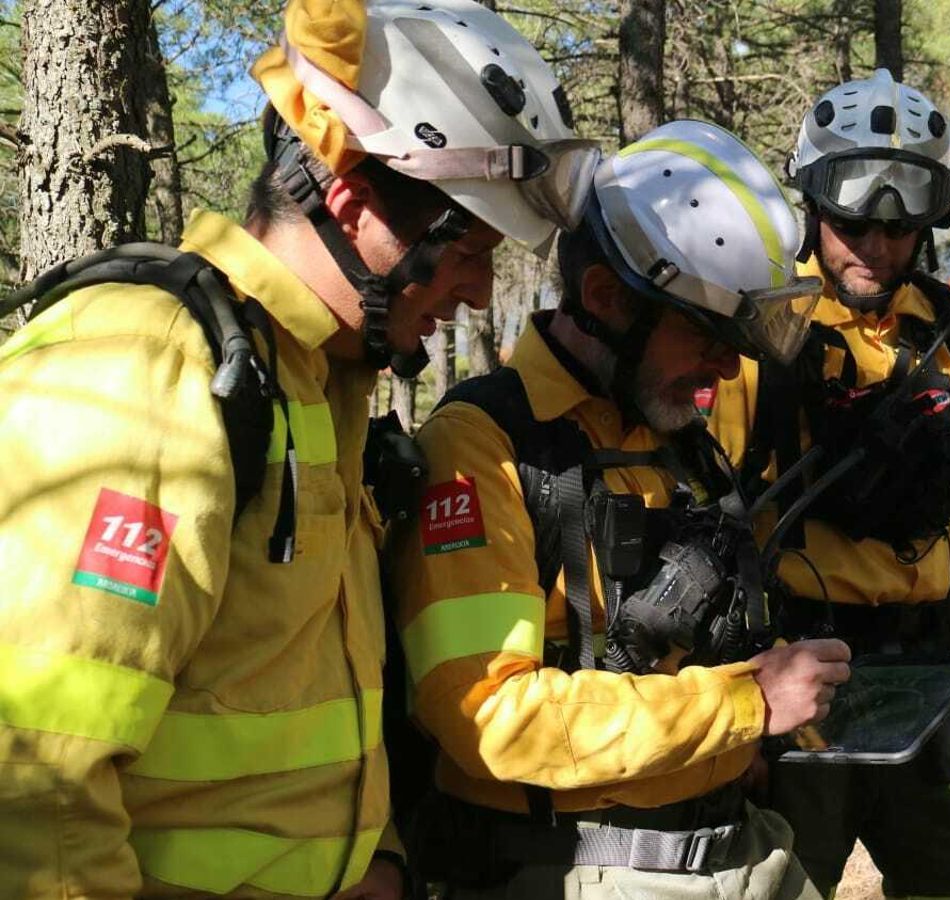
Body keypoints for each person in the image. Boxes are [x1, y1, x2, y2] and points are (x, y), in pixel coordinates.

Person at [0, 1, 597, 896]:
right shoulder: (156, 368)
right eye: (468, 250)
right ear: (355, 203)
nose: (478, 293)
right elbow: (36, 780)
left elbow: (292, 696)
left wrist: (374, 857)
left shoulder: (318, 382)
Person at [387, 119, 848, 900]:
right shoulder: (482, 446)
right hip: (582, 868)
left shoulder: (677, 438)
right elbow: (487, 714)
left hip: (742, 846)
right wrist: (744, 704)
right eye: (706, 332)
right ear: (604, 297)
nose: (726, 365)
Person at [707, 69, 950, 900]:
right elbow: (707, 527)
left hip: (936, 674)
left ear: (930, 217)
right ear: (812, 203)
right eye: (850, 216)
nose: (873, 242)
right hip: (798, 686)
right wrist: (733, 717)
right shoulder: (763, 338)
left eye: (899, 222)